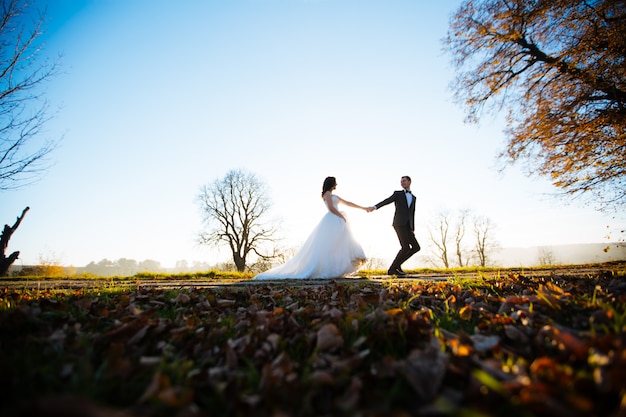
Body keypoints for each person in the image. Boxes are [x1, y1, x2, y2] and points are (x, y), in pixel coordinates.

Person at [254, 176, 369, 280]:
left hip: (336, 220)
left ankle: (339, 265)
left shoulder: (333, 195)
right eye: (335, 183)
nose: (337, 185)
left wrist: (363, 208)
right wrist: (341, 216)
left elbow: (348, 203)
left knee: (339, 244)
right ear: (331, 184)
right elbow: (330, 208)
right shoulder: (328, 194)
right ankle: (330, 268)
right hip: (332, 220)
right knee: (330, 245)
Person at [367, 175, 420, 276]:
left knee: (416, 247)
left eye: (404, 181)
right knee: (405, 247)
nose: (402, 183)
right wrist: (374, 207)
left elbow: (412, 213)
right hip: (399, 223)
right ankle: (392, 269)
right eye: (401, 181)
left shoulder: (413, 197)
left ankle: (397, 265)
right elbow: (387, 201)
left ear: (409, 182)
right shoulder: (398, 194)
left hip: (408, 226)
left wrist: (412, 228)